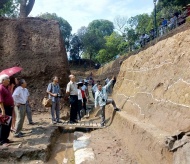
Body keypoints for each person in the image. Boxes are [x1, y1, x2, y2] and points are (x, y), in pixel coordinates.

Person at [0, 74, 14, 146]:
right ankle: (2, 141)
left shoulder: (6, 87)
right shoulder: (1, 88)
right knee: (4, 124)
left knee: (8, 124)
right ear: (3, 81)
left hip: (9, 108)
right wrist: (3, 110)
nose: (9, 81)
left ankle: (5, 138)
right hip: (4, 108)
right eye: (7, 80)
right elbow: (1, 101)